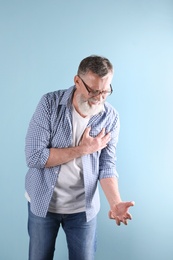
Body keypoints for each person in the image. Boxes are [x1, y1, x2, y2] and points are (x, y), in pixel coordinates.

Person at [25, 55, 135, 260]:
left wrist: (115, 202)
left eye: (105, 91)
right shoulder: (49, 104)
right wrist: (82, 149)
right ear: (77, 81)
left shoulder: (110, 117)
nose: (99, 98)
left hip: (83, 209)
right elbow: (35, 157)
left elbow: (107, 165)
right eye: (94, 91)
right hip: (43, 203)